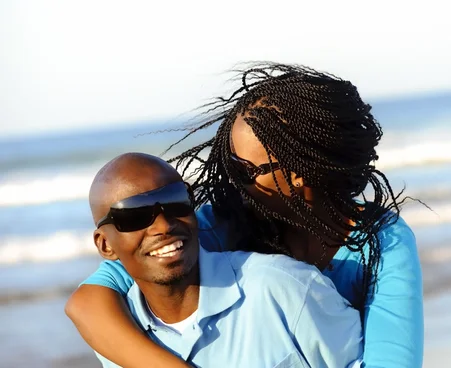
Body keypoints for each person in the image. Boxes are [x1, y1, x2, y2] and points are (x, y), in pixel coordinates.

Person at [65, 63, 424, 367]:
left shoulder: (382, 241)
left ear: (300, 173)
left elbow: (392, 359)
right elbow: (88, 303)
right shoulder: (222, 222)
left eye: (247, 170)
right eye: (230, 165)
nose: (234, 182)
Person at [81, 152, 363, 368]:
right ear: (106, 245)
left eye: (176, 201)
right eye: (134, 215)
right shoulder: (119, 335)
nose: (163, 225)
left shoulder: (284, 287)